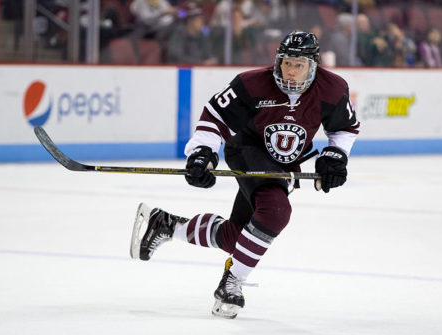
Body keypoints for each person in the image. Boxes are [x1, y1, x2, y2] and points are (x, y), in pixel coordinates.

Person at [130, 31, 360, 319]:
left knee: (237, 237)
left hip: (284, 164)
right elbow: (216, 117)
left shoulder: (332, 88)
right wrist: (202, 153)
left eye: (298, 65)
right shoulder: (251, 84)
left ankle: (165, 225)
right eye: (286, 62)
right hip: (247, 151)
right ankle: (232, 283)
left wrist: (335, 156)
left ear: (313, 66)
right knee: (275, 211)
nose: (290, 70)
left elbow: (344, 128)